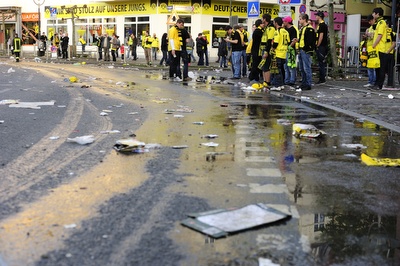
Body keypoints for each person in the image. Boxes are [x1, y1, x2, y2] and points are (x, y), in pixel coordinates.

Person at [294, 13, 316, 91]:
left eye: (300, 19)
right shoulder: (302, 28)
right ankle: (303, 83)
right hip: (301, 50)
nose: (299, 20)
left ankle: (308, 84)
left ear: (304, 19)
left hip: (305, 51)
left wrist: (305, 48)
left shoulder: (309, 29)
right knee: (302, 68)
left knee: (307, 68)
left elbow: (310, 41)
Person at [270, 17, 290, 89]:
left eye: (274, 22)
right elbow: (288, 41)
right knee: (281, 69)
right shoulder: (285, 31)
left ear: (276, 23)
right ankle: (281, 84)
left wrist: (273, 48)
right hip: (284, 53)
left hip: (277, 53)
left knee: (277, 70)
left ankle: (277, 85)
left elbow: (276, 42)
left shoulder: (277, 31)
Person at [371, 7, 387, 90]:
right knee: (377, 67)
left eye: (374, 13)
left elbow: (380, 35)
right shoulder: (378, 23)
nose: (373, 15)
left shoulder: (381, 22)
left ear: (377, 14)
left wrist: (374, 44)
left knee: (381, 68)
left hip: (381, 48)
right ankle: (376, 83)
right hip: (377, 49)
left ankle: (379, 84)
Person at [260, 13, 276, 88]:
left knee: (266, 66)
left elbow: (269, 41)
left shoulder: (271, 28)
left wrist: (266, 51)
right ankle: (265, 81)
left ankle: (267, 82)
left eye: (262, 18)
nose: (261, 20)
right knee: (263, 66)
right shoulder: (266, 27)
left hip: (267, 50)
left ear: (265, 19)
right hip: (263, 48)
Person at [283, 16, 299, 86]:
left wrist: (290, 47)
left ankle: (292, 80)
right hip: (284, 49)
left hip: (290, 50)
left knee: (291, 66)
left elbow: (294, 40)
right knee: (286, 66)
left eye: (284, 21)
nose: (283, 23)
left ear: (287, 22)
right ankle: (287, 80)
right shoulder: (285, 29)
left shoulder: (293, 29)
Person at [249, 19, 265, 83]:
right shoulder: (258, 31)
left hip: (256, 50)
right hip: (256, 50)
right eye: (262, 24)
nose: (264, 25)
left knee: (256, 64)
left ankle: (254, 77)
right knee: (256, 64)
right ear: (260, 24)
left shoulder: (258, 31)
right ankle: (253, 77)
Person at [315, 11, 329, 85]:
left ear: (319, 16)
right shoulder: (321, 25)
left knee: (321, 63)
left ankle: (322, 79)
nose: (315, 17)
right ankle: (321, 78)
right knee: (321, 63)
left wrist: (318, 45)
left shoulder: (322, 25)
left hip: (322, 46)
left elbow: (321, 36)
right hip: (322, 46)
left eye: (316, 15)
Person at [363, 15, 376, 88]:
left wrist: (368, 34)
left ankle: (373, 81)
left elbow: (374, 36)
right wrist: (365, 36)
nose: (369, 22)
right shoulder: (370, 28)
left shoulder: (376, 27)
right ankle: (370, 81)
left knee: (373, 67)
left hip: (374, 49)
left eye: (370, 21)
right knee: (369, 66)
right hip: (369, 48)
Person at [385, 22, 396, 88]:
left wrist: (388, 51)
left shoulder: (392, 33)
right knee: (383, 69)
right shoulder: (382, 33)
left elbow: (394, 44)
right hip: (383, 52)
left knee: (390, 69)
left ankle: (389, 83)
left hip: (390, 53)